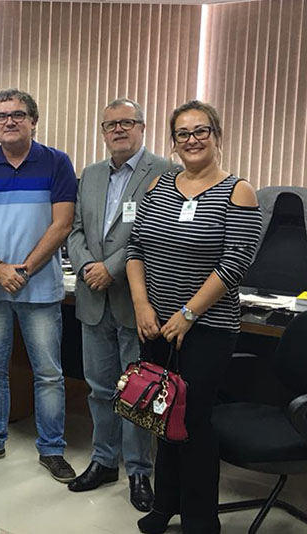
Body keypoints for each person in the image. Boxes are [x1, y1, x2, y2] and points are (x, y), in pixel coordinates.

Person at [126, 100, 261, 534]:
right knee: (161, 418)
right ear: (173, 142)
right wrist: (143, 306)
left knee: (194, 422)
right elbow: (135, 251)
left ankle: (201, 519)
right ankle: (166, 505)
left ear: (217, 136)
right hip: (157, 326)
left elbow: (235, 261)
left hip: (207, 329)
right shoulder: (158, 188)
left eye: (201, 131)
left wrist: (188, 313)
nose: (192, 140)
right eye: (183, 133)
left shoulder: (237, 190)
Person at [0, 88, 78, 482]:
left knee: (48, 373)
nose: (10, 121)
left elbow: (62, 224)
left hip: (39, 288)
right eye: (2, 116)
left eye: (19, 114)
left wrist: (22, 269)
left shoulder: (56, 162)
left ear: (33, 121)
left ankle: (52, 448)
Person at [67, 98, 174, 510]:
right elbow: (75, 230)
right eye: (110, 124)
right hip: (93, 299)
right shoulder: (91, 174)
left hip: (137, 300)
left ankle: (139, 471)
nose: (118, 130)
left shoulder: (164, 172)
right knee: (98, 388)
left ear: (142, 127)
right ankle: (103, 460)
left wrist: (109, 268)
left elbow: (152, 231)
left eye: (127, 122)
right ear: (103, 131)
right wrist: (87, 265)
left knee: (138, 392)